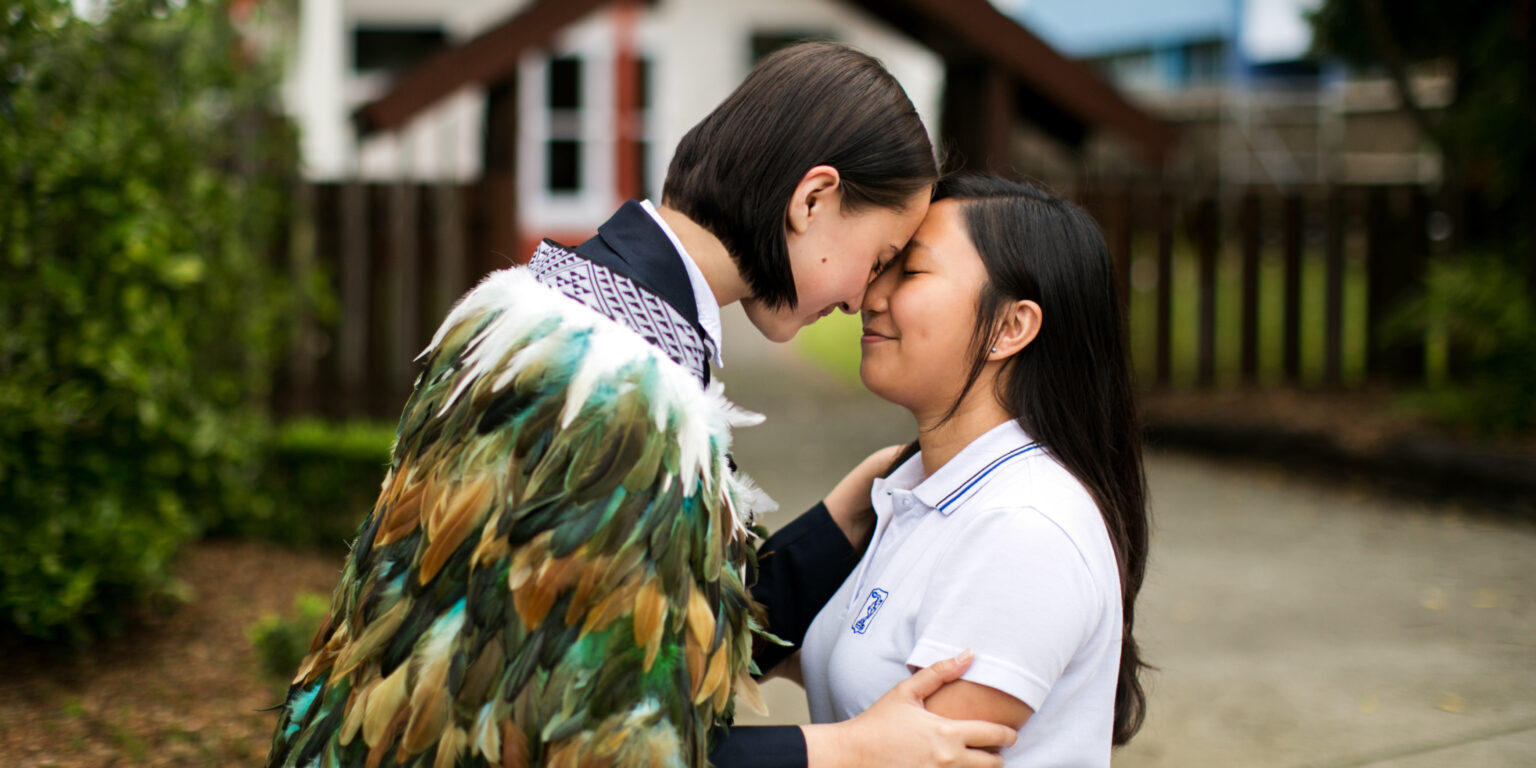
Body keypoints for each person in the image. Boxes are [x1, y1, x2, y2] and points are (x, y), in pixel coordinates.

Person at [264, 43, 1015, 768]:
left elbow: (637, 625)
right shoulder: (619, 387)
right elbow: (600, 743)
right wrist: (849, 751)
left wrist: (849, 512)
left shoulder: (554, 311)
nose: (861, 298)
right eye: (879, 258)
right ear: (813, 199)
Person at [789, 174, 1152, 766]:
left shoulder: (1022, 527)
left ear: (1011, 327)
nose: (869, 294)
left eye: (909, 271)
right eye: (883, 263)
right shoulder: (919, 492)